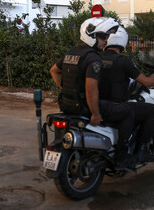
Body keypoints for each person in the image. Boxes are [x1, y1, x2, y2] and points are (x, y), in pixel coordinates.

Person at [50, 17, 134, 169]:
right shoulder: (93, 58)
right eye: (102, 36)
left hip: (67, 105)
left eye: (106, 37)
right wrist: (95, 114)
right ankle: (122, 155)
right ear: (91, 35)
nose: (105, 40)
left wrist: (66, 88)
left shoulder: (72, 52)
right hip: (84, 106)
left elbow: (54, 70)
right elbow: (91, 89)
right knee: (127, 112)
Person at [100, 26, 154, 164]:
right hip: (116, 106)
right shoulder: (123, 61)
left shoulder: (96, 58)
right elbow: (145, 81)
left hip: (99, 104)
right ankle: (142, 151)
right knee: (152, 110)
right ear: (122, 42)